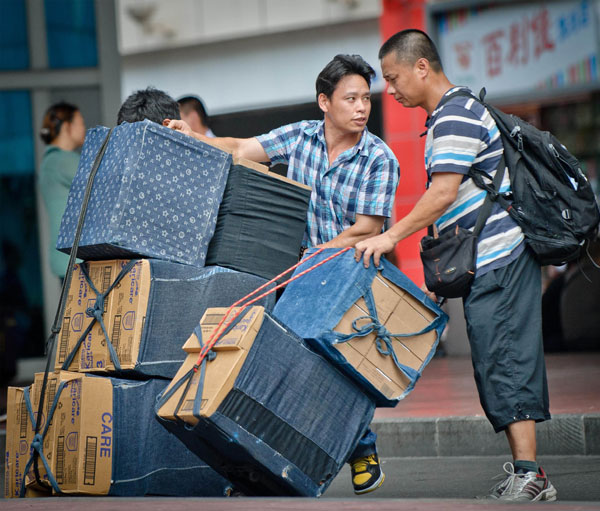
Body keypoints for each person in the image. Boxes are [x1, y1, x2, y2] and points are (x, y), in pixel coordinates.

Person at [168, 54, 399, 495]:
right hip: (305, 275)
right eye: (350, 98)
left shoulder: (379, 158)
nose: (361, 107)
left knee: (339, 368)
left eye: (366, 98)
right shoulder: (301, 137)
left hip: (354, 277)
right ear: (324, 102)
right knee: (290, 364)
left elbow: (367, 229)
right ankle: (278, 463)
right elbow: (239, 149)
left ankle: (362, 448)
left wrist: (314, 257)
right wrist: (195, 138)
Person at [354, 29, 557, 502]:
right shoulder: (450, 114)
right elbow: (454, 202)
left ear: (421, 67)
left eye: (393, 77)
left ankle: (531, 475)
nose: (392, 90)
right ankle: (527, 472)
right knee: (495, 358)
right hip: (488, 259)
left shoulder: (455, 115)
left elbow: (443, 193)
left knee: (506, 358)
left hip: (500, 258)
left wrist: (389, 236)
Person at [38, 102, 87, 279]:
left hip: (66, 257)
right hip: (76, 260)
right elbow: (101, 185)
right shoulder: (63, 161)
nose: (84, 128)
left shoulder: (49, 161)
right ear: (67, 126)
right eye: (80, 122)